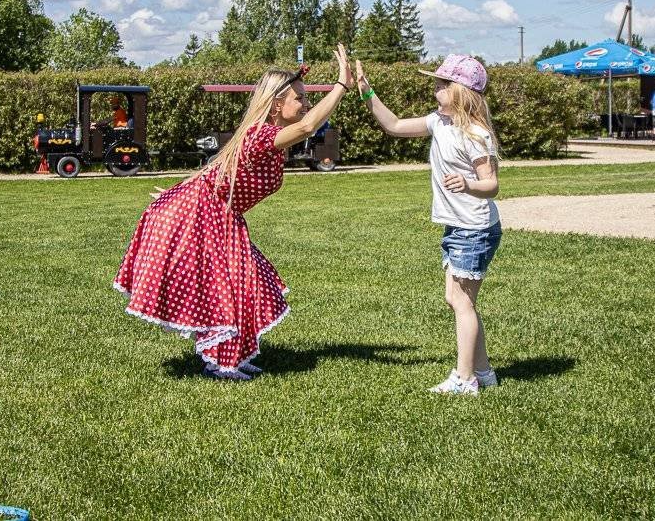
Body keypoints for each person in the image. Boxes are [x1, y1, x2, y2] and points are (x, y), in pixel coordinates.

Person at [114, 45, 356, 380]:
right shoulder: (261, 136)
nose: (307, 104)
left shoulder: (268, 137)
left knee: (248, 284)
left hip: (219, 215)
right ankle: (220, 361)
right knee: (226, 288)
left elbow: (217, 168)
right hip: (202, 216)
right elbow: (306, 127)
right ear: (276, 105)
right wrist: (341, 85)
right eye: (300, 98)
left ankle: (232, 355)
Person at [356, 54, 501, 395]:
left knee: (459, 301)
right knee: (459, 300)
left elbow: (491, 184)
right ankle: (483, 371)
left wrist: (467, 185)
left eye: (442, 85)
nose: (435, 90)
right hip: (459, 226)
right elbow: (392, 125)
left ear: (463, 92)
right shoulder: (439, 122)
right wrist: (366, 92)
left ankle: (465, 379)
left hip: (474, 228)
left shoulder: (475, 134)